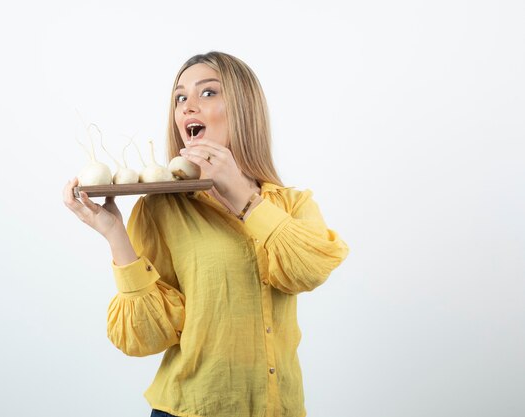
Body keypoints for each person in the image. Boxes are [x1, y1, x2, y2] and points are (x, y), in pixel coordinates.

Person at [63, 51, 349, 417]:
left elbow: (307, 270)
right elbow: (144, 337)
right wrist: (115, 234)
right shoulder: (162, 208)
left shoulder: (291, 205)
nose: (187, 107)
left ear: (244, 109)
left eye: (208, 93)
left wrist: (246, 201)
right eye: (180, 98)